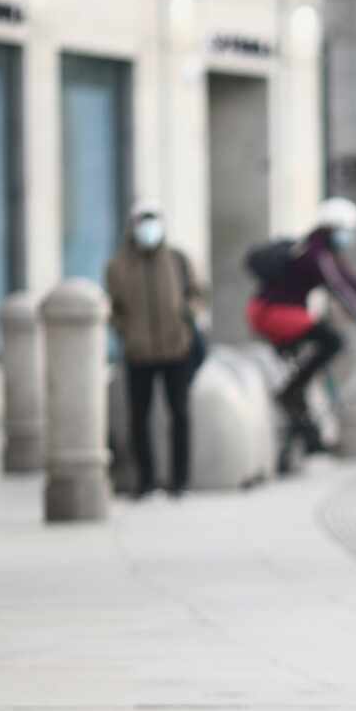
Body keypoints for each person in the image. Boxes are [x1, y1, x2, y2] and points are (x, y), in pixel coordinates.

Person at [246, 197, 356, 447]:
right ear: (332, 228)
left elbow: (350, 280)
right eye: (346, 231)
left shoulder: (323, 252)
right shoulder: (314, 253)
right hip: (272, 313)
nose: (349, 237)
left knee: (318, 350)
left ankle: (305, 428)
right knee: (332, 341)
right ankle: (290, 392)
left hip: (284, 313)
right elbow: (338, 289)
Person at [106, 201, 205, 500]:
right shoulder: (118, 265)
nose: (149, 228)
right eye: (143, 222)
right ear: (133, 226)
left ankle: (180, 480)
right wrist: (125, 331)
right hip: (139, 353)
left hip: (177, 349)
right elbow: (113, 308)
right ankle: (145, 481)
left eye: (153, 221)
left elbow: (198, 294)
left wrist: (186, 318)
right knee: (139, 418)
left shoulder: (177, 259)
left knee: (180, 415)